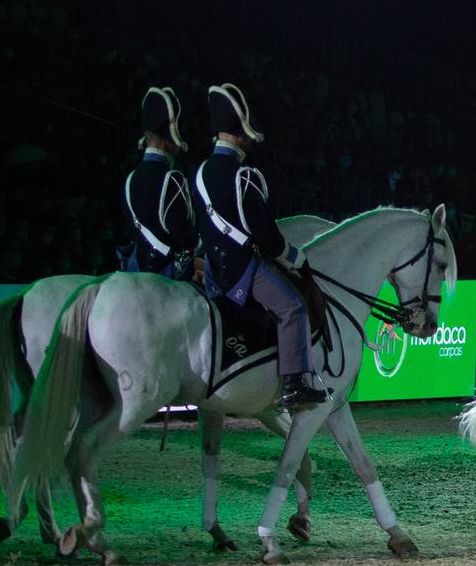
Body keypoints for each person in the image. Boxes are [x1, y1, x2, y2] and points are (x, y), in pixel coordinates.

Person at [192, 83, 325, 410]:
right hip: (242, 269)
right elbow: (269, 238)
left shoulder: (199, 174)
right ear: (240, 132)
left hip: (212, 271)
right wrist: (297, 258)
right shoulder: (244, 176)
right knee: (293, 306)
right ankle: (294, 383)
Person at [119, 86, 198, 281]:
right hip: (166, 272)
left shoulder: (131, 177)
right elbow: (183, 234)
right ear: (169, 140)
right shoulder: (172, 179)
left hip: (137, 266)